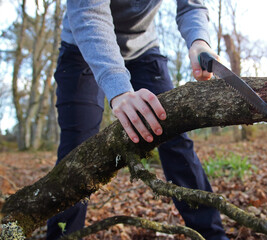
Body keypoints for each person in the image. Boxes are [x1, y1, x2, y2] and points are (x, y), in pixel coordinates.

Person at [47, 0, 229, 239]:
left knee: (176, 140)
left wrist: (199, 40)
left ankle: (211, 235)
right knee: (76, 148)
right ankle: (63, 235)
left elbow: (191, 6)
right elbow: (88, 12)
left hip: (143, 49)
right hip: (84, 46)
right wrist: (119, 89)